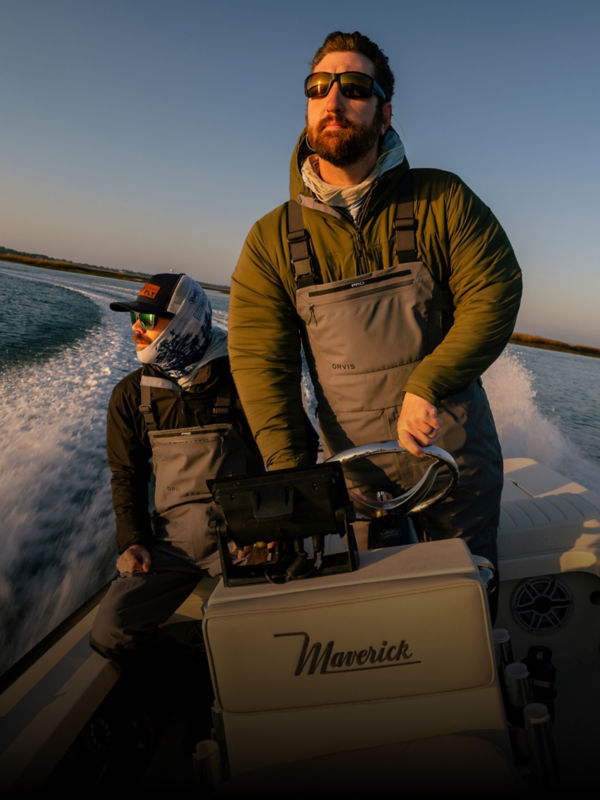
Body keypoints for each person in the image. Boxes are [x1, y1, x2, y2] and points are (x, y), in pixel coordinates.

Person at [228, 31, 522, 585]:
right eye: (319, 87)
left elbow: (496, 291)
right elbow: (262, 365)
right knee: (373, 620)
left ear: (384, 113)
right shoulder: (271, 240)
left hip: (457, 461)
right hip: (355, 476)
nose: (333, 100)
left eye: (354, 87)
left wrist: (426, 383)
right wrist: (290, 480)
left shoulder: (443, 199)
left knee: (467, 601)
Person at [90, 272, 264, 676]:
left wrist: (269, 532)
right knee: (111, 631)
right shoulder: (131, 396)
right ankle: (196, 681)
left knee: (266, 625)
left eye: (148, 320)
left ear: (185, 320)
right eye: (134, 318)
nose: (136, 327)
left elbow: (290, 449)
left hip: (243, 539)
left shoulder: (244, 381)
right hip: (172, 546)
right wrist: (132, 541)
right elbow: (126, 475)